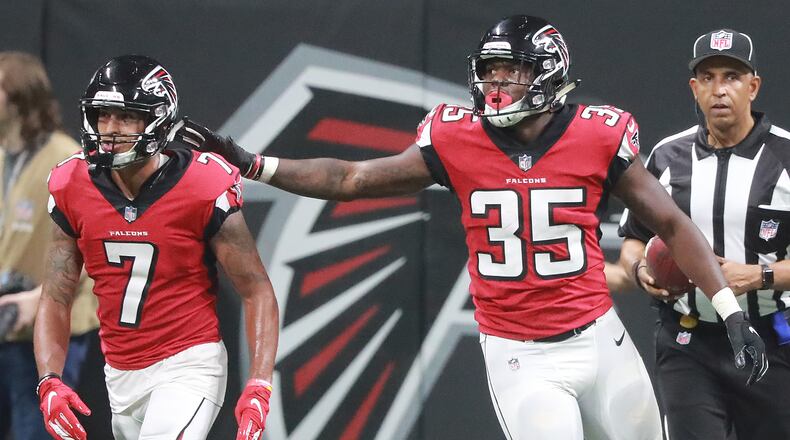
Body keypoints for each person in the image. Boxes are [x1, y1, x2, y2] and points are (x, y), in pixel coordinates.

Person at [177, 16, 766, 440]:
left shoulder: (595, 133)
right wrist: (254, 164)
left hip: (599, 335)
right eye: (490, 72)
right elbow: (352, 177)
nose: (496, 85)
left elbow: (671, 222)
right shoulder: (458, 137)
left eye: (512, 72)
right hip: (521, 355)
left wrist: (729, 310)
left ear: (549, 75)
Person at [32, 55, 279, 440]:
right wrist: (49, 379)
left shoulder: (201, 183)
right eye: (102, 115)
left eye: (126, 116)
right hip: (119, 372)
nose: (109, 129)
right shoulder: (72, 183)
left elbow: (256, 290)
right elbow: (56, 295)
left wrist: (259, 384)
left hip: (188, 363)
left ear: (159, 120)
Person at [618, 28, 790, 440]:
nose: (719, 89)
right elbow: (632, 240)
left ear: (753, 86)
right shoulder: (667, 156)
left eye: (732, 77)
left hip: (770, 334)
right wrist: (640, 270)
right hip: (687, 337)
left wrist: (759, 276)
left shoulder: (786, 156)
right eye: (708, 78)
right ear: (694, 89)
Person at [0, 51, 99, 440]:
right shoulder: (2, 156)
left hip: (51, 331)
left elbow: (98, 242)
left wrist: (40, 297)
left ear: (21, 95)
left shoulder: (68, 160)